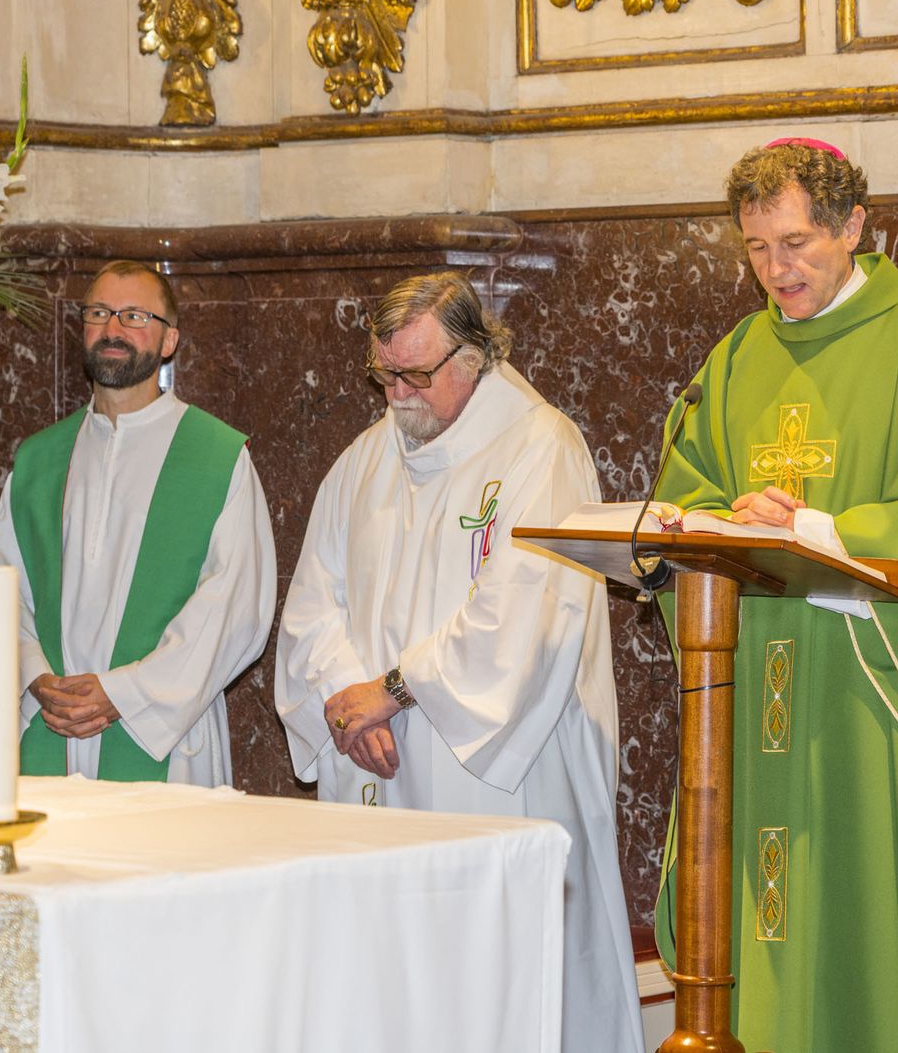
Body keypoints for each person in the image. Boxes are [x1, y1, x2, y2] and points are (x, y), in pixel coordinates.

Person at [652, 138, 898, 1052]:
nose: (774, 270)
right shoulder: (737, 356)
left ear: (854, 227)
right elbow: (685, 490)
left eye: (795, 243)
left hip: (875, 702)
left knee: (861, 935)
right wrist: (727, 521)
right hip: (750, 699)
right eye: (755, 249)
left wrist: (816, 531)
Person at [274, 272, 643, 1053]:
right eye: (384, 373)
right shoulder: (366, 459)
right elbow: (312, 601)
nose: (397, 394)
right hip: (377, 762)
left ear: (474, 357)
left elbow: (524, 613)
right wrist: (344, 697)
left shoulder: (543, 447)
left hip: (493, 776)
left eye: (416, 374)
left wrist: (396, 691)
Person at [0, 259, 276, 786]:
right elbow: (4, 591)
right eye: (99, 313)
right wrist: (34, 676)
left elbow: (237, 608)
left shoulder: (216, 458)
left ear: (169, 341)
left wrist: (125, 694)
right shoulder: (38, 461)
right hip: (48, 727)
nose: (114, 329)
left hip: (164, 738)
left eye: (135, 316)